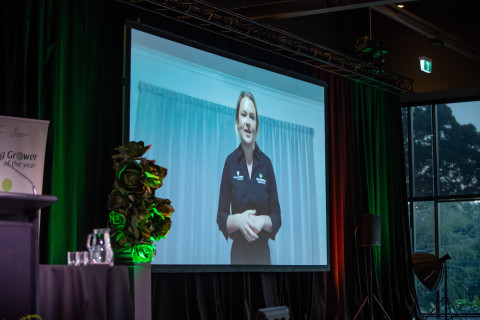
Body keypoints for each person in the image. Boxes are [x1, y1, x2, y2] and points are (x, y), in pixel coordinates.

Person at [217, 91, 281, 265]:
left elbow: (277, 216)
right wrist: (239, 221)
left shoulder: (267, 164)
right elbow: (221, 216)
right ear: (237, 123)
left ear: (256, 125)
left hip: (263, 256)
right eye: (243, 115)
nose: (247, 122)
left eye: (252, 117)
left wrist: (262, 220)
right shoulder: (230, 162)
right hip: (238, 256)